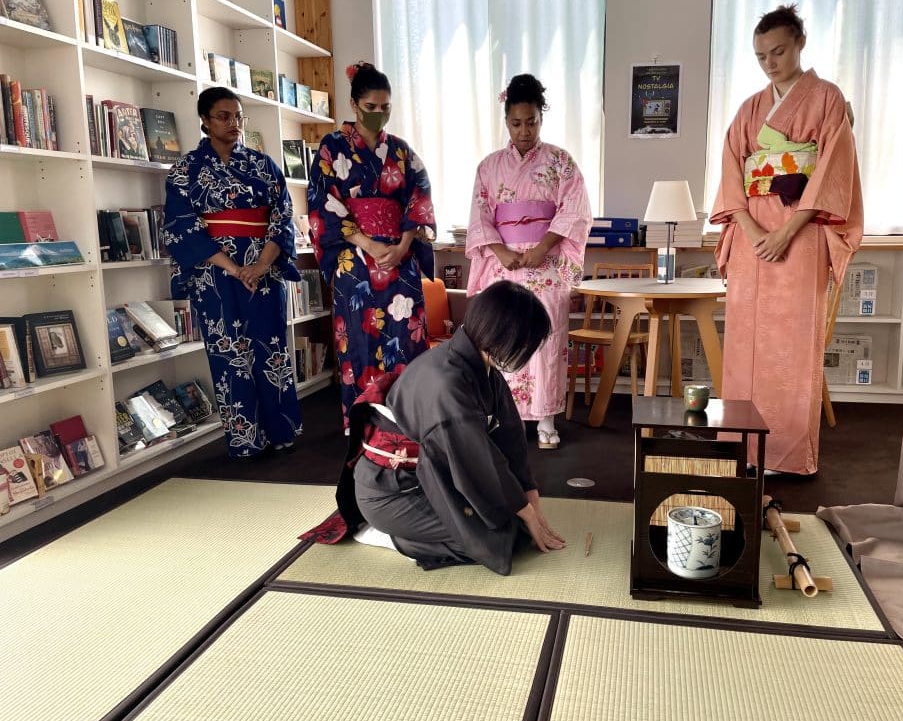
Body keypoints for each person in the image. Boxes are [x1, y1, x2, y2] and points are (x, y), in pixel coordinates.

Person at [710, 5, 863, 476]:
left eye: (778, 51)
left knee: (792, 345)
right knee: (743, 344)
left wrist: (787, 231)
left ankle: (787, 453)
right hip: (751, 235)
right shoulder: (750, 109)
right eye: (761, 56)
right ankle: (743, 444)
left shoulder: (827, 99)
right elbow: (733, 172)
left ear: (799, 43)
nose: (770, 62)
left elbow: (832, 173)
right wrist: (755, 230)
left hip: (801, 234)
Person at [336, 281, 566, 575]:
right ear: (503, 336)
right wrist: (525, 514)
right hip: (394, 492)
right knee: (498, 539)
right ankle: (386, 536)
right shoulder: (446, 383)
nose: (526, 353)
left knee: (515, 522)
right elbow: (476, 459)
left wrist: (531, 501)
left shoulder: (481, 365)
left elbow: (510, 437)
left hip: (429, 479)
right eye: (524, 344)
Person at [163, 86, 302, 458]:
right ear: (205, 121)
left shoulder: (264, 165)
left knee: (271, 349)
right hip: (215, 274)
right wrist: (234, 267)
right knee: (229, 355)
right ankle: (245, 439)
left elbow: (283, 218)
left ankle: (281, 429)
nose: (234, 124)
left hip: (264, 270)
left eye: (238, 116)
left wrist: (259, 265)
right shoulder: (185, 170)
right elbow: (181, 225)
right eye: (224, 116)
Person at [465, 73, 593, 450]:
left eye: (532, 122)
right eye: (517, 123)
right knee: (501, 337)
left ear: (542, 117)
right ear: (506, 121)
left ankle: (546, 418)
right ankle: (503, 416)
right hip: (503, 264)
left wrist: (542, 247)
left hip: (546, 263)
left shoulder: (561, 162)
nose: (525, 131)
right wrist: (502, 252)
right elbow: (480, 215)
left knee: (546, 338)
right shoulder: (488, 167)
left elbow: (576, 211)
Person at [307, 62, 436, 431]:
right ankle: (361, 423)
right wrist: (366, 243)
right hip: (355, 259)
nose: (379, 114)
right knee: (358, 339)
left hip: (400, 258)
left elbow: (419, 195)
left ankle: (407, 421)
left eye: (385, 107)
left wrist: (404, 242)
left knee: (406, 339)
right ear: (353, 104)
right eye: (371, 107)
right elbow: (323, 202)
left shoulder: (400, 150)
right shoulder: (331, 148)